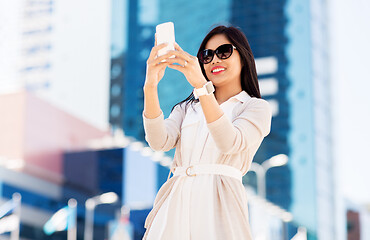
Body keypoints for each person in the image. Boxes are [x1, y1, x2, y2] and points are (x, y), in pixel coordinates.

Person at [142, 25, 272, 240]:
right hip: (175, 204)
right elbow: (158, 141)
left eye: (224, 52)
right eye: (207, 55)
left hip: (220, 203)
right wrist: (150, 86)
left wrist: (203, 88)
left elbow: (230, 143)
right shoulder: (187, 108)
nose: (214, 60)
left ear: (243, 56)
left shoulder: (255, 108)